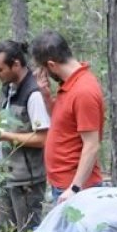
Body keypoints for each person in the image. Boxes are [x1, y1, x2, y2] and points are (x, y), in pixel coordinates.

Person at [0, 40, 51, 232]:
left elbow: (43, 139)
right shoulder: (9, 88)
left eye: (0, 69)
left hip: (27, 180)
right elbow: (12, 121)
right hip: (6, 175)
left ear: (15, 64)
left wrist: (4, 136)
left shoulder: (33, 94)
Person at [30, 30, 105, 204]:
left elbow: (92, 145)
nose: (45, 74)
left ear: (52, 65)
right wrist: (46, 96)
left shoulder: (84, 91)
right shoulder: (69, 84)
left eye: (45, 69)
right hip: (63, 185)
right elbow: (61, 122)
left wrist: (75, 188)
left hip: (79, 190)